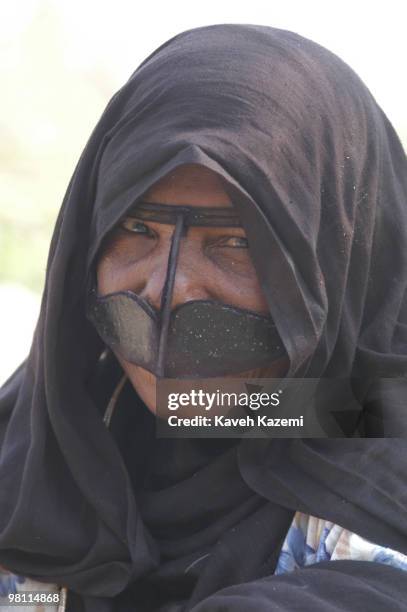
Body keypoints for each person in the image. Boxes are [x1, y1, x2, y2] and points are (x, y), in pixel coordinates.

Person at [1, 23, 407, 612]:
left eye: (237, 243)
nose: (168, 289)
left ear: (339, 266)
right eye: (137, 230)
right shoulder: (60, 424)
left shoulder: (376, 447)